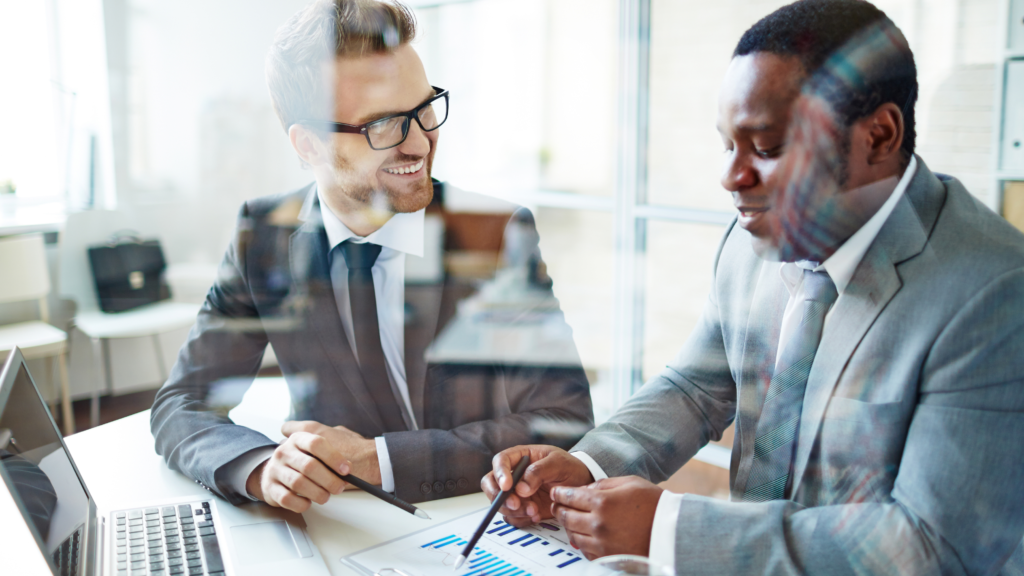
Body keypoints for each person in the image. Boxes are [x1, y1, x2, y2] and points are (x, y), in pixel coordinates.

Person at [482, 1, 1024, 573]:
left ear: (878, 135)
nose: (731, 178)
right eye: (728, 145)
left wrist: (671, 529)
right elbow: (695, 387)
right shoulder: (755, 239)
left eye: (766, 149)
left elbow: (929, 545)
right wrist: (587, 468)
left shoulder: (995, 296)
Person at [151, 0, 593, 513]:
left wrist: (376, 459)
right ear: (309, 144)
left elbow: (564, 417)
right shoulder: (263, 236)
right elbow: (182, 403)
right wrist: (260, 467)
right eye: (385, 125)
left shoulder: (494, 234)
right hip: (338, 521)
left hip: (480, 515)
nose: (421, 142)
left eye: (425, 109)